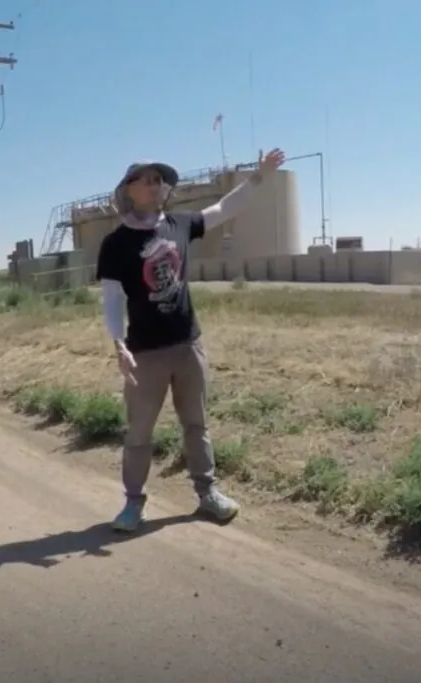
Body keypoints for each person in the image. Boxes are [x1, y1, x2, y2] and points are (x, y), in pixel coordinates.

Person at [96, 148, 287, 532]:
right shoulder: (115, 244)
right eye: (146, 180)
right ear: (128, 190)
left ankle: (208, 494)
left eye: (159, 180)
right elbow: (113, 299)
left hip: (188, 346)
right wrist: (119, 345)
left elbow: (225, 208)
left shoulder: (181, 224)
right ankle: (134, 504)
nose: (155, 186)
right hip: (145, 353)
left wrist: (259, 176)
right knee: (139, 432)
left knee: (196, 424)